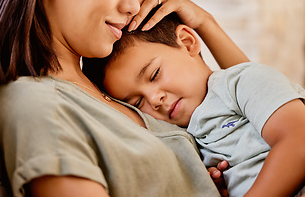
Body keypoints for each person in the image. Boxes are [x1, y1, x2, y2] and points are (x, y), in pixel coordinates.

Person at [0, 0, 249, 196]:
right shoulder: (39, 107)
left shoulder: (107, 87)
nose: (133, 5)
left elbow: (258, 107)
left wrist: (203, 21)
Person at [83, 11, 305, 197]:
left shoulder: (239, 82)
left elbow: (299, 139)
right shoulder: (183, 136)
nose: (154, 99)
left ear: (188, 43)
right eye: (137, 102)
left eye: (155, 74)